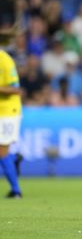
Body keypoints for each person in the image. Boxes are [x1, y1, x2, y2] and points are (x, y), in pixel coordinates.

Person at [0, 30, 23, 199]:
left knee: (2, 151)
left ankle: (16, 191)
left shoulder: (5, 61)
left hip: (8, 111)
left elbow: (16, 89)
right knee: (4, 153)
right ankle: (14, 159)